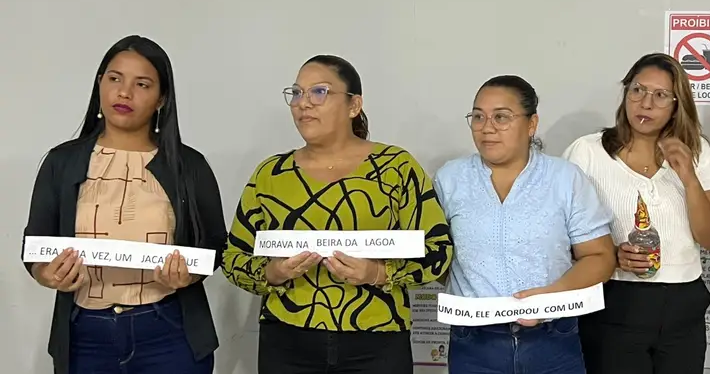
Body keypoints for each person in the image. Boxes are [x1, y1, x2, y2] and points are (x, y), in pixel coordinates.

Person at [222, 55, 453, 374]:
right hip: (287, 341)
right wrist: (273, 273)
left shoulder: (396, 168)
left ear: (354, 105)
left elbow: (438, 252)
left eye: (319, 92)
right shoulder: (270, 174)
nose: (303, 103)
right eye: (296, 93)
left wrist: (378, 274)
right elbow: (233, 257)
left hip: (378, 342)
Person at [21, 35, 227, 374]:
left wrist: (190, 274)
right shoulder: (61, 162)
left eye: (142, 84)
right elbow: (34, 244)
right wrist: (46, 274)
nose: (124, 93)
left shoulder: (189, 165)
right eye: (115, 78)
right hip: (84, 336)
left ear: (162, 98)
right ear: (100, 83)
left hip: (170, 334)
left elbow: (217, 244)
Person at [434, 75, 616, 374]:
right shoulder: (450, 179)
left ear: (532, 124)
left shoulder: (564, 178)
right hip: (474, 344)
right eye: (478, 117)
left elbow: (600, 256)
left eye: (501, 117)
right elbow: (437, 255)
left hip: (552, 340)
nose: (487, 127)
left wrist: (552, 295)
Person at [562, 53, 710, 374]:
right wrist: (610, 255)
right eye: (638, 90)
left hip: (683, 304)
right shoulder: (588, 152)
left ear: (677, 105)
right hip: (614, 300)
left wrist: (689, 177)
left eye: (660, 95)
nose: (646, 103)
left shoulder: (697, 151)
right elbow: (559, 234)